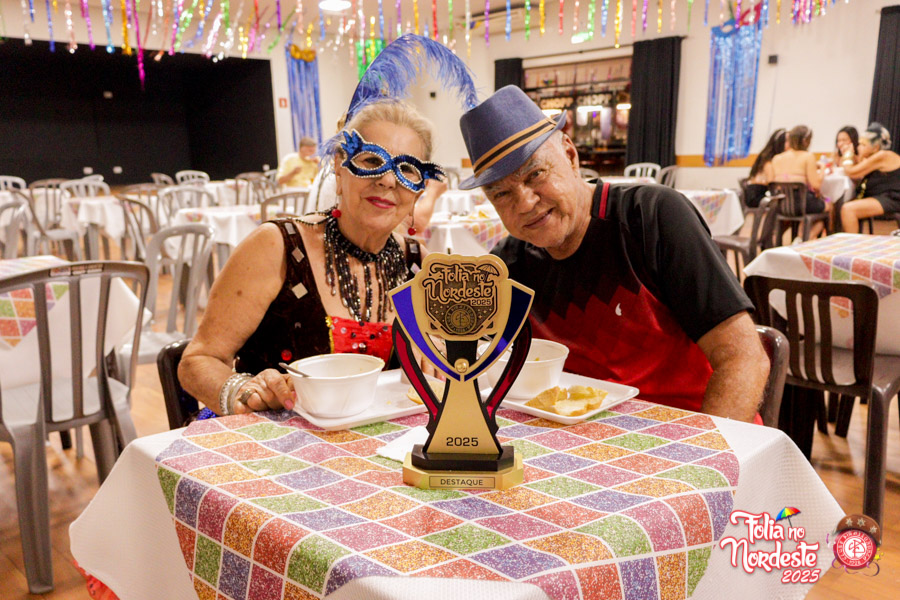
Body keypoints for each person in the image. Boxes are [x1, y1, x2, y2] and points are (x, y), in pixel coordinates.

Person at [456, 85, 769, 422]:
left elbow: (743, 358)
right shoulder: (510, 265)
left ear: (570, 156)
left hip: (688, 429)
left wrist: (705, 449)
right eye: (501, 194)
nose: (525, 203)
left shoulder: (652, 218)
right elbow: (467, 351)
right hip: (578, 440)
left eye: (535, 174)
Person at [179, 101, 446, 415]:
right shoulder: (277, 246)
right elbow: (197, 361)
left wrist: (440, 345)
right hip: (269, 435)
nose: (388, 180)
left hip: (382, 439)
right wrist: (244, 391)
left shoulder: (418, 265)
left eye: (406, 170)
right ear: (339, 166)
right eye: (372, 160)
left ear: (419, 190)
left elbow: (453, 360)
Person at [839, 122, 900, 234]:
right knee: (844, 205)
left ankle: (852, 244)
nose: (859, 147)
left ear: (875, 147)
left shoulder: (883, 156)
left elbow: (852, 172)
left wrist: (847, 155)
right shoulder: (873, 158)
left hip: (894, 198)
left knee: (848, 209)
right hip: (884, 196)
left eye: (863, 145)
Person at [771, 125, 828, 239]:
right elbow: (816, 185)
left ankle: (801, 236)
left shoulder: (776, 158)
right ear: (806, 141)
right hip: (802, 204)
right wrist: (822, 169)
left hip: (781, 204)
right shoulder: (807, 157)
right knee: (829, 205)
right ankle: (808, 238)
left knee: (816, 210)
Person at [745, 128, 786, 208]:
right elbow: (772, 182)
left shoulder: (767, 156)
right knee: (784, 202)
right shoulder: (768, 161)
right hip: (756, 195)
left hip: (759, 192)